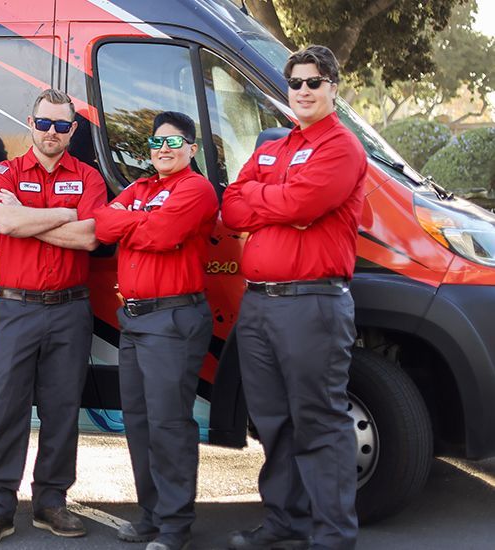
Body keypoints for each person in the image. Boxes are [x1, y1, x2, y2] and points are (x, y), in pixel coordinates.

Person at [221, 45, 367, 550]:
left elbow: (306, 200)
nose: (303, 90)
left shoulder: (341, 147)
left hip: (312, 304)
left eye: (314, 82)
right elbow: (231, 208)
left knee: (319, 422)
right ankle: (285, 523)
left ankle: (332, 536)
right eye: (296, 83)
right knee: (273, 421)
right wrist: (278, 205)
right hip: (259, 303)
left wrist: (267, 200)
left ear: (333, 88)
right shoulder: (274, 146)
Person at [0, 88, 106, 545]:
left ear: (73, 130)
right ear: (30, 123)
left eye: (61, 126)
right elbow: (3, 225)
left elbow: (89, 237)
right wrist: (61, 214)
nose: (51, 132)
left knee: (62, 410)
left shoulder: (89, 176)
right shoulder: (2, 171)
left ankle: (51, 502)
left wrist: (30, 216)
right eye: (44, 123)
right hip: (16, 308)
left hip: (70, 309)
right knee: (5, 410)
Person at [95, 111, 219, 550]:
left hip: (173, 319)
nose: (163, 150)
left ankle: (174, 526)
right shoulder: (140, 187)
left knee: (169, 425)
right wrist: (137, 222)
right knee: (140, 422)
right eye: (156, 144)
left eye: (173, 142)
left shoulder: (196, 189)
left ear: (191, 148)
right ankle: (150, 515)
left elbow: (165, 234)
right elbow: (103, 224)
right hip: (133, 317)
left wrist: (133, 223)